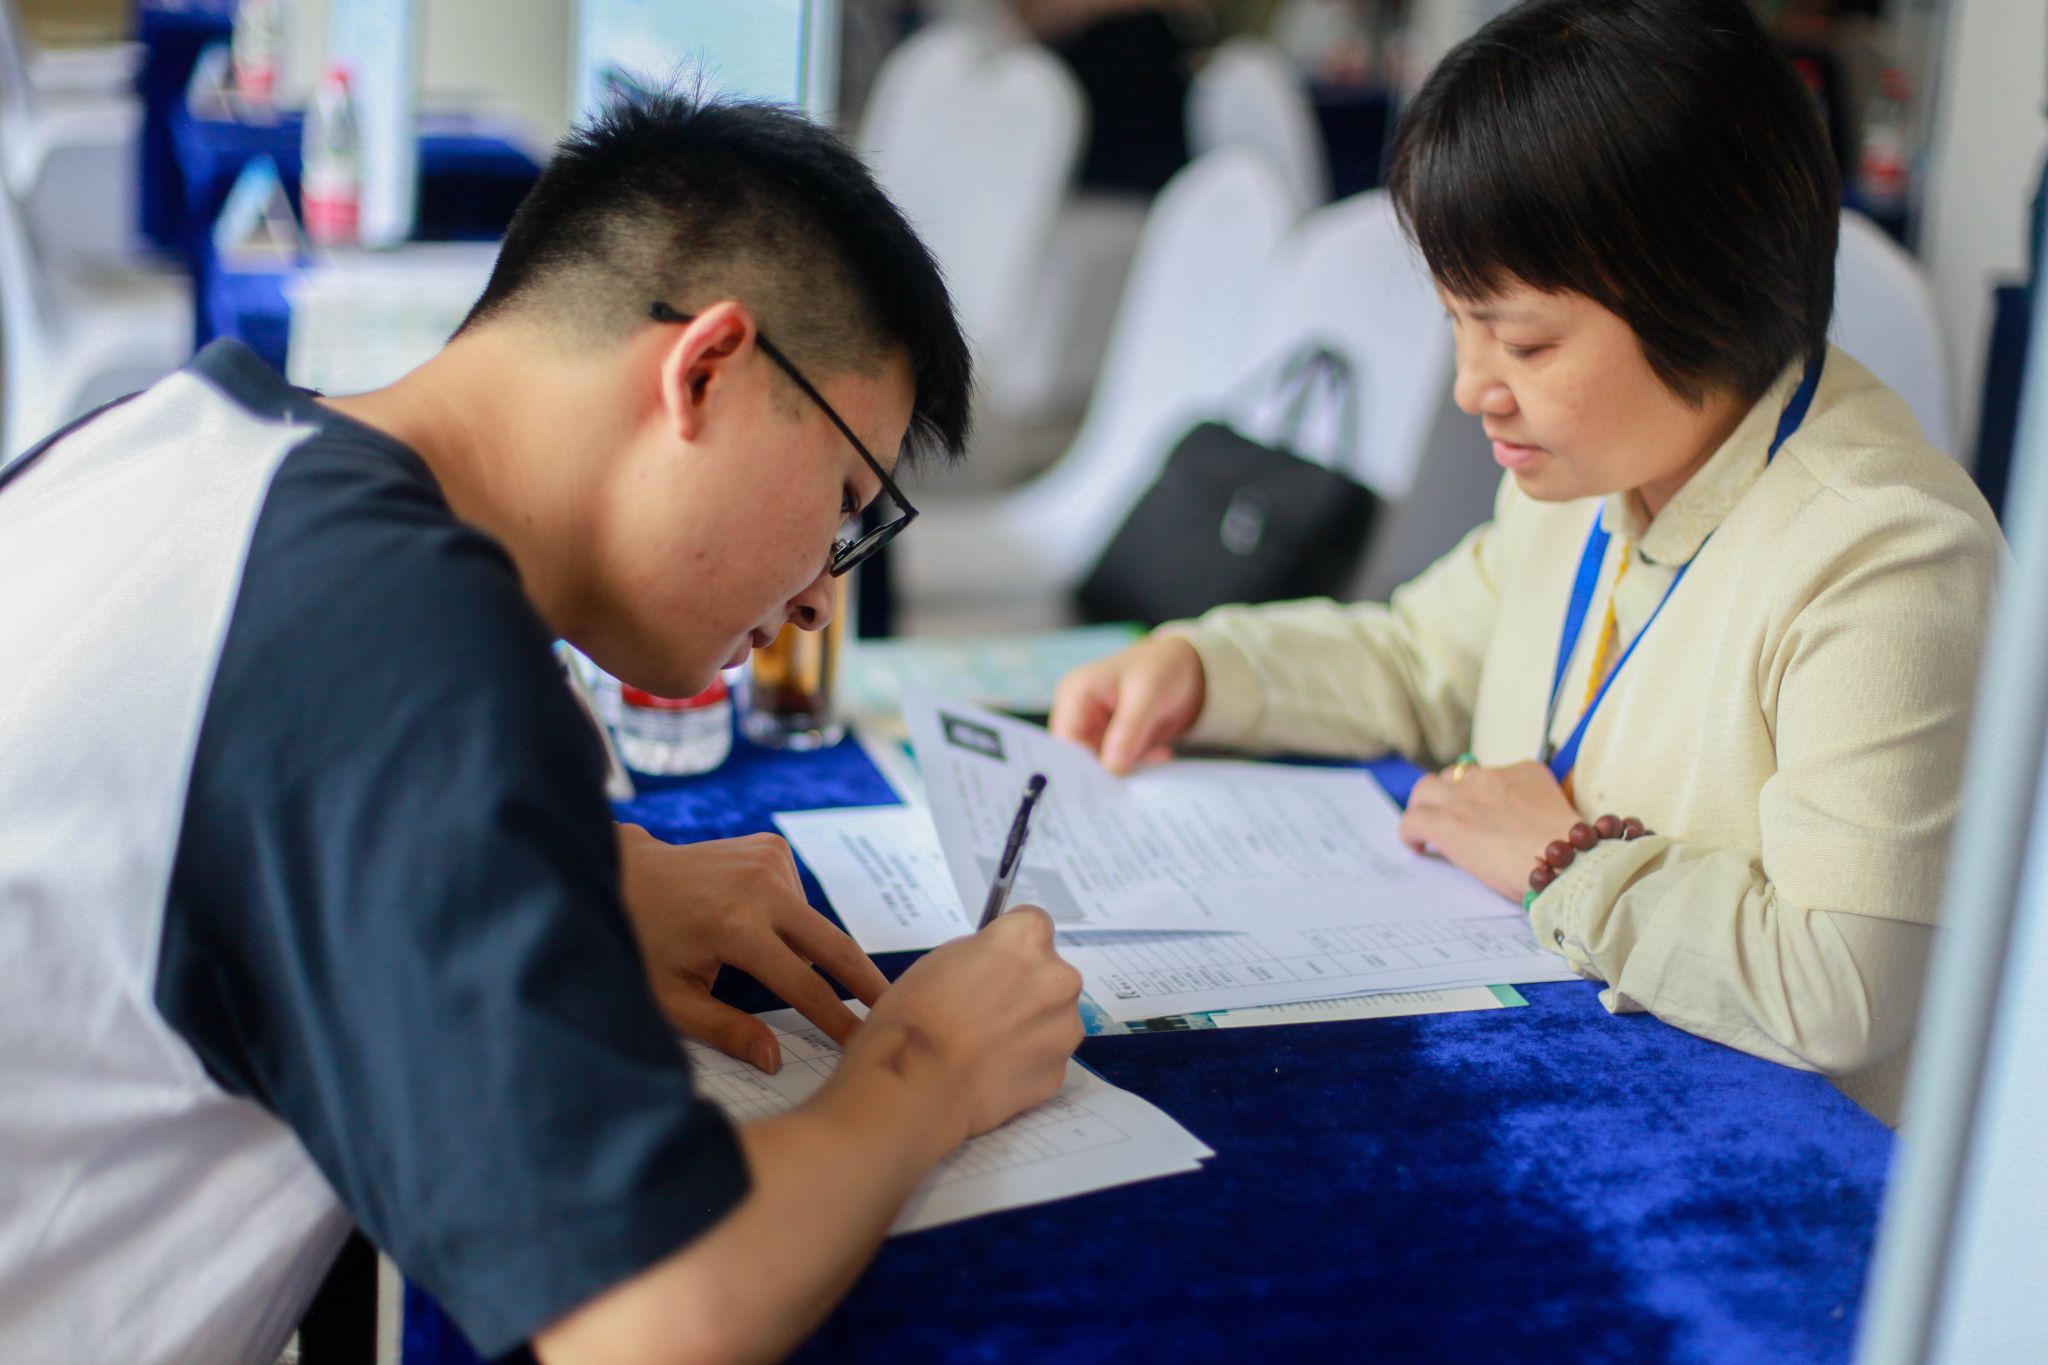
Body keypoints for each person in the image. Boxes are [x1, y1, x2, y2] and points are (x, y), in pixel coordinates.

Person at [0, 94, 1083, 1363]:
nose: (818, 599)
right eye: (847, 504)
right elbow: (646, 1319)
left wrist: (575, 877)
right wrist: (928, 1064)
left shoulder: (176, 438)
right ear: (706, 370)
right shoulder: (397, 632)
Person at [1050, 0, 2001, 1128]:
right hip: (1579, 1075)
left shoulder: (1884, 559)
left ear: (1706, 292)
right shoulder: (1597, 469)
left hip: (1778, 1168)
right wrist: (1208, 669)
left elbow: (1841, 988)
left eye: (1525, 342)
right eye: (1459, 323)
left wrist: (1558, 860)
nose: (1472, 388)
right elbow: (1421, 657)